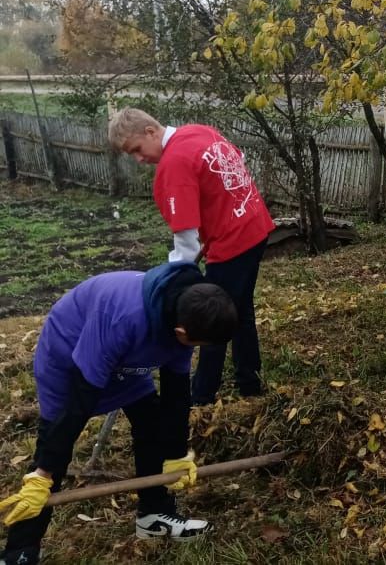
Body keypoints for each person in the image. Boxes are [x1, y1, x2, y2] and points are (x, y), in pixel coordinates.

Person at [0, 262, 238, 565]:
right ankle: (20, 552)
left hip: (125, 358)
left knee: (151, 422)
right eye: (200, 344)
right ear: (181, 332)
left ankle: (154, 515)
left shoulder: (186, 310)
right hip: (68, 354)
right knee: (58, 434)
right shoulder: (124, 318)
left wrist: (176, 454)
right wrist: (43, 474)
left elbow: (177, 394)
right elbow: (79, 405)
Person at [108, 109, 275, 405]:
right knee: (240, 310)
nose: (138, 159)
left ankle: (201, 396)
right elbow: (235, 164)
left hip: (233, 242)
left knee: (210, 319)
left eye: (136, 149)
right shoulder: (198, 131)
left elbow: (185, 238)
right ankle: (250, 382)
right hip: (254, 224)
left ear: (150, 131)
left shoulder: (174, 163)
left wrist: (172, 280)